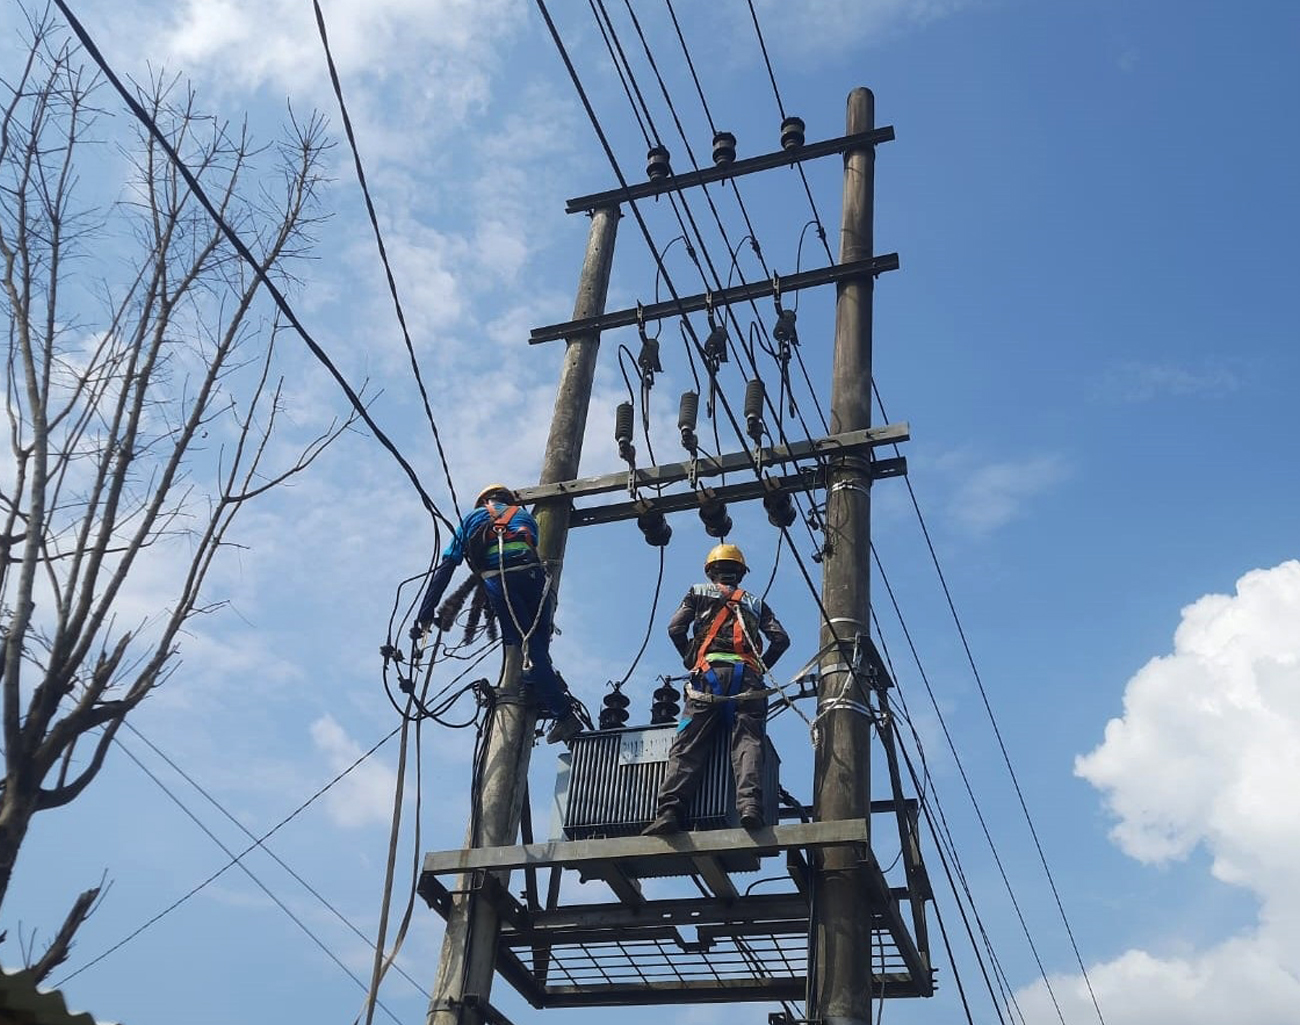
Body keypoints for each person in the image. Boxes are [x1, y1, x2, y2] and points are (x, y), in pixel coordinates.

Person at [411, 483, 584, 745]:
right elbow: (525, 549)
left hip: (502, 581)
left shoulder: (473, 518)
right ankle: (532, 684)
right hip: (537, 580)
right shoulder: (525, 517)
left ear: (483, 502)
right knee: (536, 646)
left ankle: (564, 715)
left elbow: (448, 565)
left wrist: (426, 610)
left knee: (527, 648)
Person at [643, 543, 790, 834]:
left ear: (711, 571)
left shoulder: (697, 592)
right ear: (740, 573)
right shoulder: (756, 603)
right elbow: (781, 640)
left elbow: (675, 628)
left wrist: (691, 657)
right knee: (748, 741)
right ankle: (749, 807)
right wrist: (759, 669)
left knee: (688, 744)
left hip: (707, 676)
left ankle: (670, 811)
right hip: (747, 679)